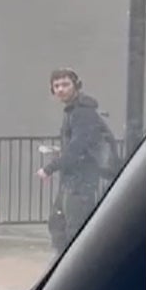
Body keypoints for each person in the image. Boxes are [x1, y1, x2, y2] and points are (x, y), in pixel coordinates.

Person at [37, 68, 111, 255]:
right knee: (59, 222)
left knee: (73, 228)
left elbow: (78, 147)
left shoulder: (82, 113)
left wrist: (49, 168)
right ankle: (63, 262)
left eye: (65, 84)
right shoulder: (73, 111)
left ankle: (70, 265)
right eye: (56, 86)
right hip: (73, 178)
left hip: (82, 179)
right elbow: (78, 145)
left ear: (76, 86)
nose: (61, 89)